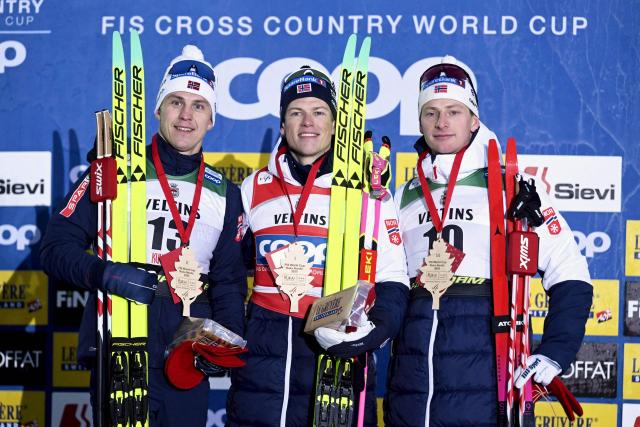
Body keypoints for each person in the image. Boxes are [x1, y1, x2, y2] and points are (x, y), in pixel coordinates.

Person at [40, 45, 247, 426]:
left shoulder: (224, 192)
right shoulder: (113, 171)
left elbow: (230, 280)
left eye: (199, 105)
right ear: (157, 109)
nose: (186, 115)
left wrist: (223, 341)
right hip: (122, 335)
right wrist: (106, 274)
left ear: (212, 119)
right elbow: (54, 249)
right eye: (176, 102)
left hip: (185, 349)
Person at [384, 55, 593, 426]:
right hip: (411, 390)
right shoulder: (403, 196)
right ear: (420, 121)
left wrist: (555, 351)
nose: (442, 122)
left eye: (454, 111)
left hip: (489, 381)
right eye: (431, 112)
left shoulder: (512, 185)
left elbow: (570, 270)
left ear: (474, 119)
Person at [226, 66, 410, 426]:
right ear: (282, 125)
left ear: (336, 124)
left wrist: (374, 333)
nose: (307, 122)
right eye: (296, 112)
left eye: (319, 112)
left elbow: (393, 277)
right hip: (262, 366)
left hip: (334, 355)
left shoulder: (366, 191)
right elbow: (228, 269)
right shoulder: (254, 187)